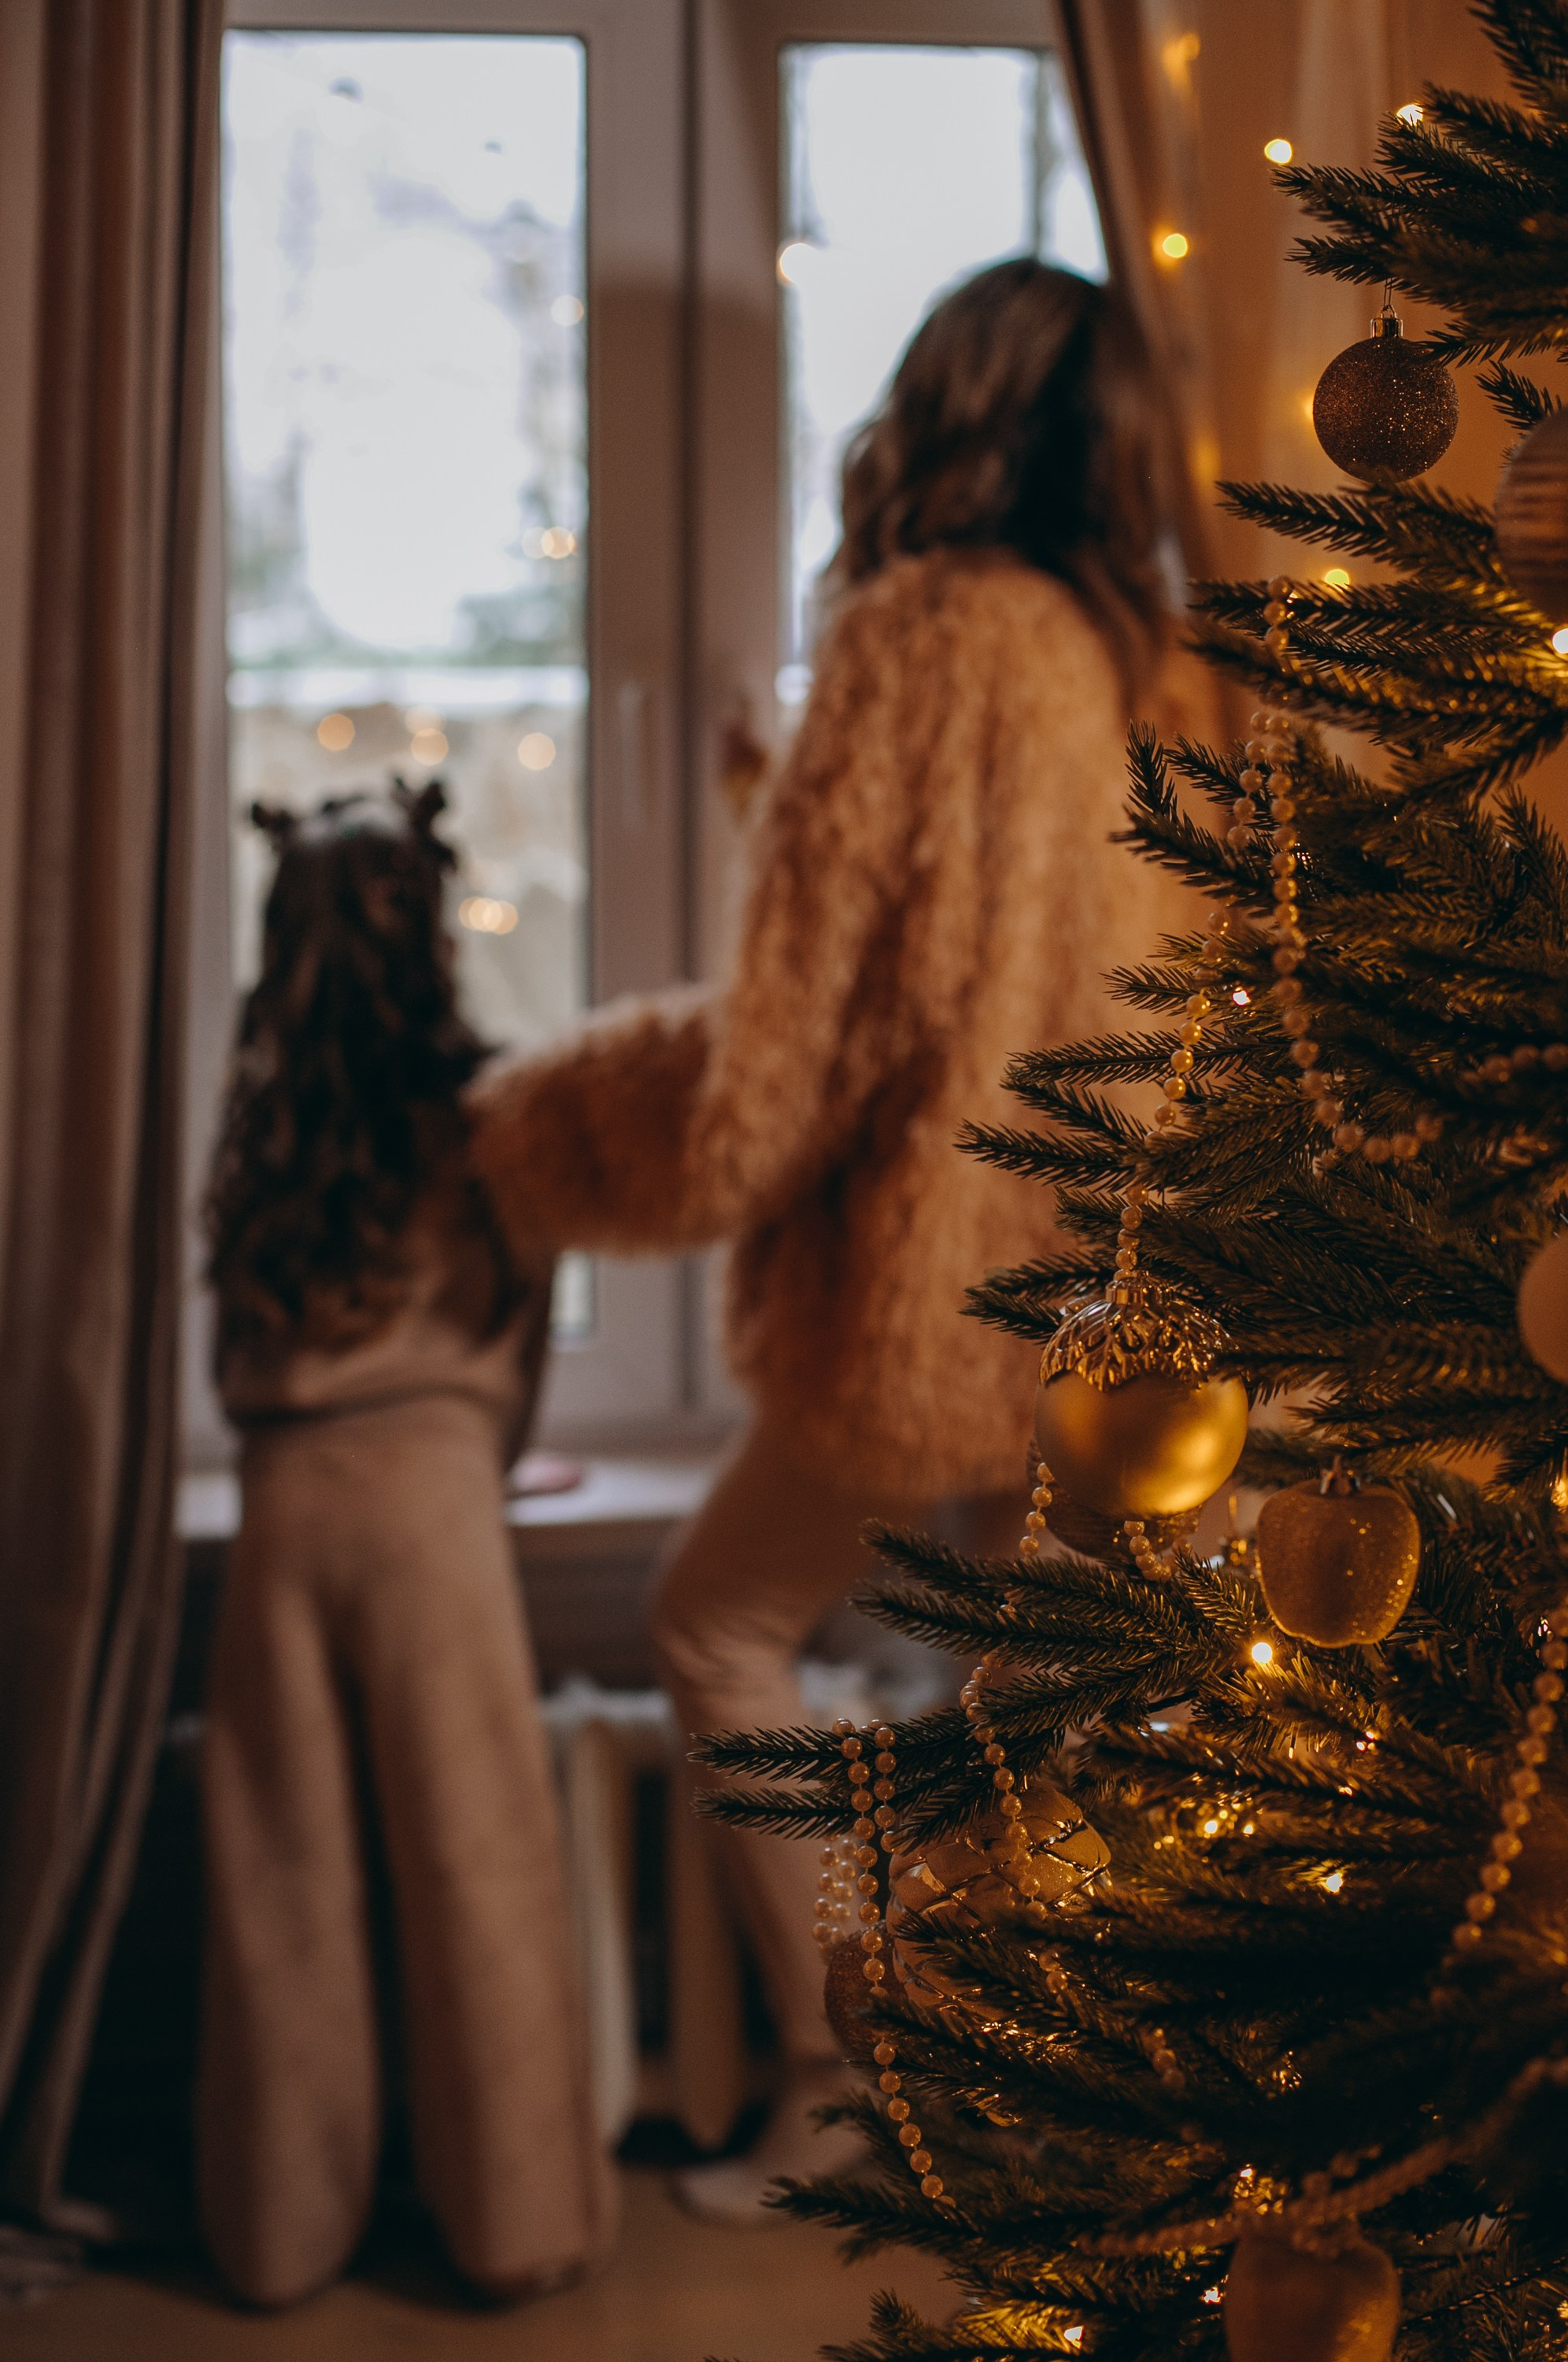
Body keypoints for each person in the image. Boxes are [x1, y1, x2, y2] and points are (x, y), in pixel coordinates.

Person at [468, 257, 1199, 2221]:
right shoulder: (1137, 650)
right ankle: (1031, 2124)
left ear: (937, 409)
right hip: (1121, 1311)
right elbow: (987, 960)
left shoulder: (910, 637)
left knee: (714, 1625)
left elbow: (777, 1083)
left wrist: (538, 1124)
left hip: (935, 1295)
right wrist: (762, 800)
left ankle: (847, 2084)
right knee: (1043, 1714)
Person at [198, 783, 612, 2305]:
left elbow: (230, 1357)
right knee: (477, 1863)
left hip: (282, 1512)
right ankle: (517, 2224)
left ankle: (274, 2232)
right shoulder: (490, 1121)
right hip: (436, 1501)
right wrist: (472, 1452)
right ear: (429, 931)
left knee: (277, 1883)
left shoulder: (261, 1131)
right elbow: (514, 1352)